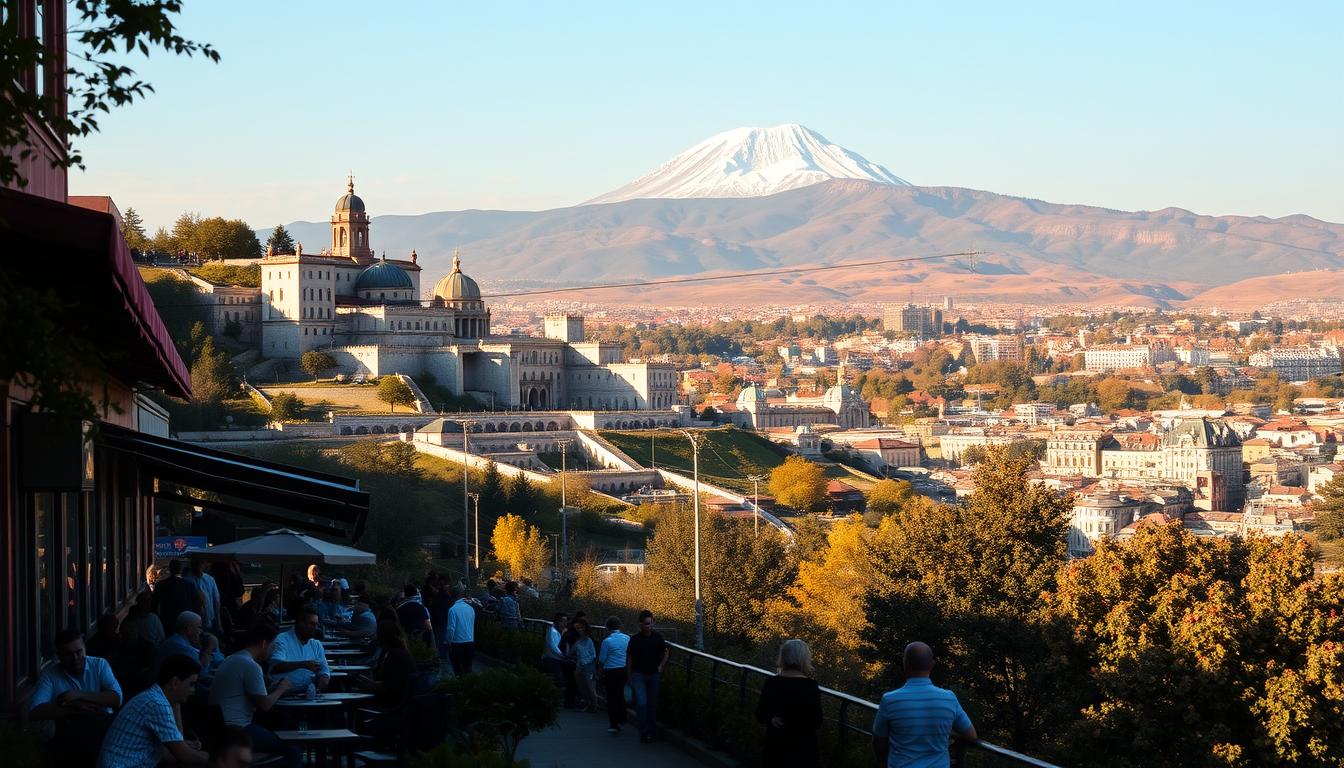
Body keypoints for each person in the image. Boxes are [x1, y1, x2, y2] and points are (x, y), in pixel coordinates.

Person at [871, 642, 976, 768]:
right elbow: (971, 736)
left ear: (906, 664)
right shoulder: (949, 698)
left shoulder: (890, 700)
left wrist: (883, 762)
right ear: (932, 665)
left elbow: (879, 741)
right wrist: (947, 731)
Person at [209, 623, 299, 768]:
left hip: (221, 726)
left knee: (284, 722)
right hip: (239, 730)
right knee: (292, 749)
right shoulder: (251, 665)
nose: (274, 649)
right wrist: (282, 688)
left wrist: (271, 689)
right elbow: (265, 705)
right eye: (273, 645)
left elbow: (252, 695)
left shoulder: (232, 659)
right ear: (264, 643)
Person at [29, 628, 123, 764]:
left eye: (79, 652)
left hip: (103, 733)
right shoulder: (50, 674)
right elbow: (35, 711)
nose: (75, 658)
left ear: (85, 648)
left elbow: (116, 698)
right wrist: (75, 709)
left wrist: (78, 695)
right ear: (59, 655)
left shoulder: (99, 665)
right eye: (68, 654)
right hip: (69, 739)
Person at [98, 654, 209, 768]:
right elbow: (182, 754)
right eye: (191, 684)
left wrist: (183, 745)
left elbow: (171, 752)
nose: (193, 691)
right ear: (175, 683)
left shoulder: (156, 698)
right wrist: (218, 759)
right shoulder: (157, 704)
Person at [755, 639, 823, 768]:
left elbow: (760, 714)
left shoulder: (772, 683)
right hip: (803, 749)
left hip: (775, 747)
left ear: (783, 657)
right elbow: (817, 721)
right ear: (804, 659)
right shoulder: (810, 686)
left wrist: (771, 719)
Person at [626, 609, 669, 744]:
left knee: (652, 705)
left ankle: (650, 731)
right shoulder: (635, 639)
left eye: (650, 623)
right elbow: (630, 658)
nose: (648, 626)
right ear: (640, 624)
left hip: (653, 675)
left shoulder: (657, 637)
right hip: (638, 674)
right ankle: (643, 731)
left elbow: (666, 652)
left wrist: (661, 666)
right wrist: (629, 676)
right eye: (645, 623)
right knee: (642, 704)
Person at [270, 605, 331, 691]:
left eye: (317, 625)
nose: (316, 628)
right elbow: (276, 666)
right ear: (300, 623)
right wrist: (303, 665)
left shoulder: (316, 644)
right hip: (283, 695)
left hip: (307, 695)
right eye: (312, 624)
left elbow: (324, 671)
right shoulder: (282, 639)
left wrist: (322, 682)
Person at [157, 611, 223, 680]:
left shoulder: (172, 641)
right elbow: (202, 679)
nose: (202, 632)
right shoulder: (186, 650)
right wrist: (207, 651)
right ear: (189, 629)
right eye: (199, 627)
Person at [597, 616, 630, 733]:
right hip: (623, 670)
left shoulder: (607, 641)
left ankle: (613, 724)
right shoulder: (627, 638)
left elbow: (602, 659)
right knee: (620, 695)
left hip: (610, 671)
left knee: (611, 698)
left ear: (607, 628)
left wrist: (599, 673)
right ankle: (622, 719)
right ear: (620, 626)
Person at [152, 559, 199, 631]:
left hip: (167, 621)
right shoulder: (189, 585)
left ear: (170, 569)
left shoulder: (160, 585)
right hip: (185, 621)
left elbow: (154, 605)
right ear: (180, 569)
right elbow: (196, 604)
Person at [568, 617, 598, 713]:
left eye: (581, 627)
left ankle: (594, 705)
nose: (579, 630)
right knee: (582, 687)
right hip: (579, 667)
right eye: (577, 628)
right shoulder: (576, 640)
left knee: (590, 687)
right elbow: (570, 653)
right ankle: (588, 703)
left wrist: (583, 661)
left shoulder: (589, 640)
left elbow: (593, 655)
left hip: (588, 666)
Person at [446, 587, 477, 676]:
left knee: (458, 670)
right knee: (468, 669)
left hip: (457, 643)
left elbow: (451, 628)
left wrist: (448, 641)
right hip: (470, 641)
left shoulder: (452, 609)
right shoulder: (470, 608)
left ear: (452, 596)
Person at [541, 612, 567, 689]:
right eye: (562, 621)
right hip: (551, 659)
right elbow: (553, 647)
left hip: (556, 659)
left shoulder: (559, 631)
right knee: (554, 680)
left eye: (565, 621)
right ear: (557, 621)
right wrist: (563, 656)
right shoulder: (552, 631)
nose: (564, 623)